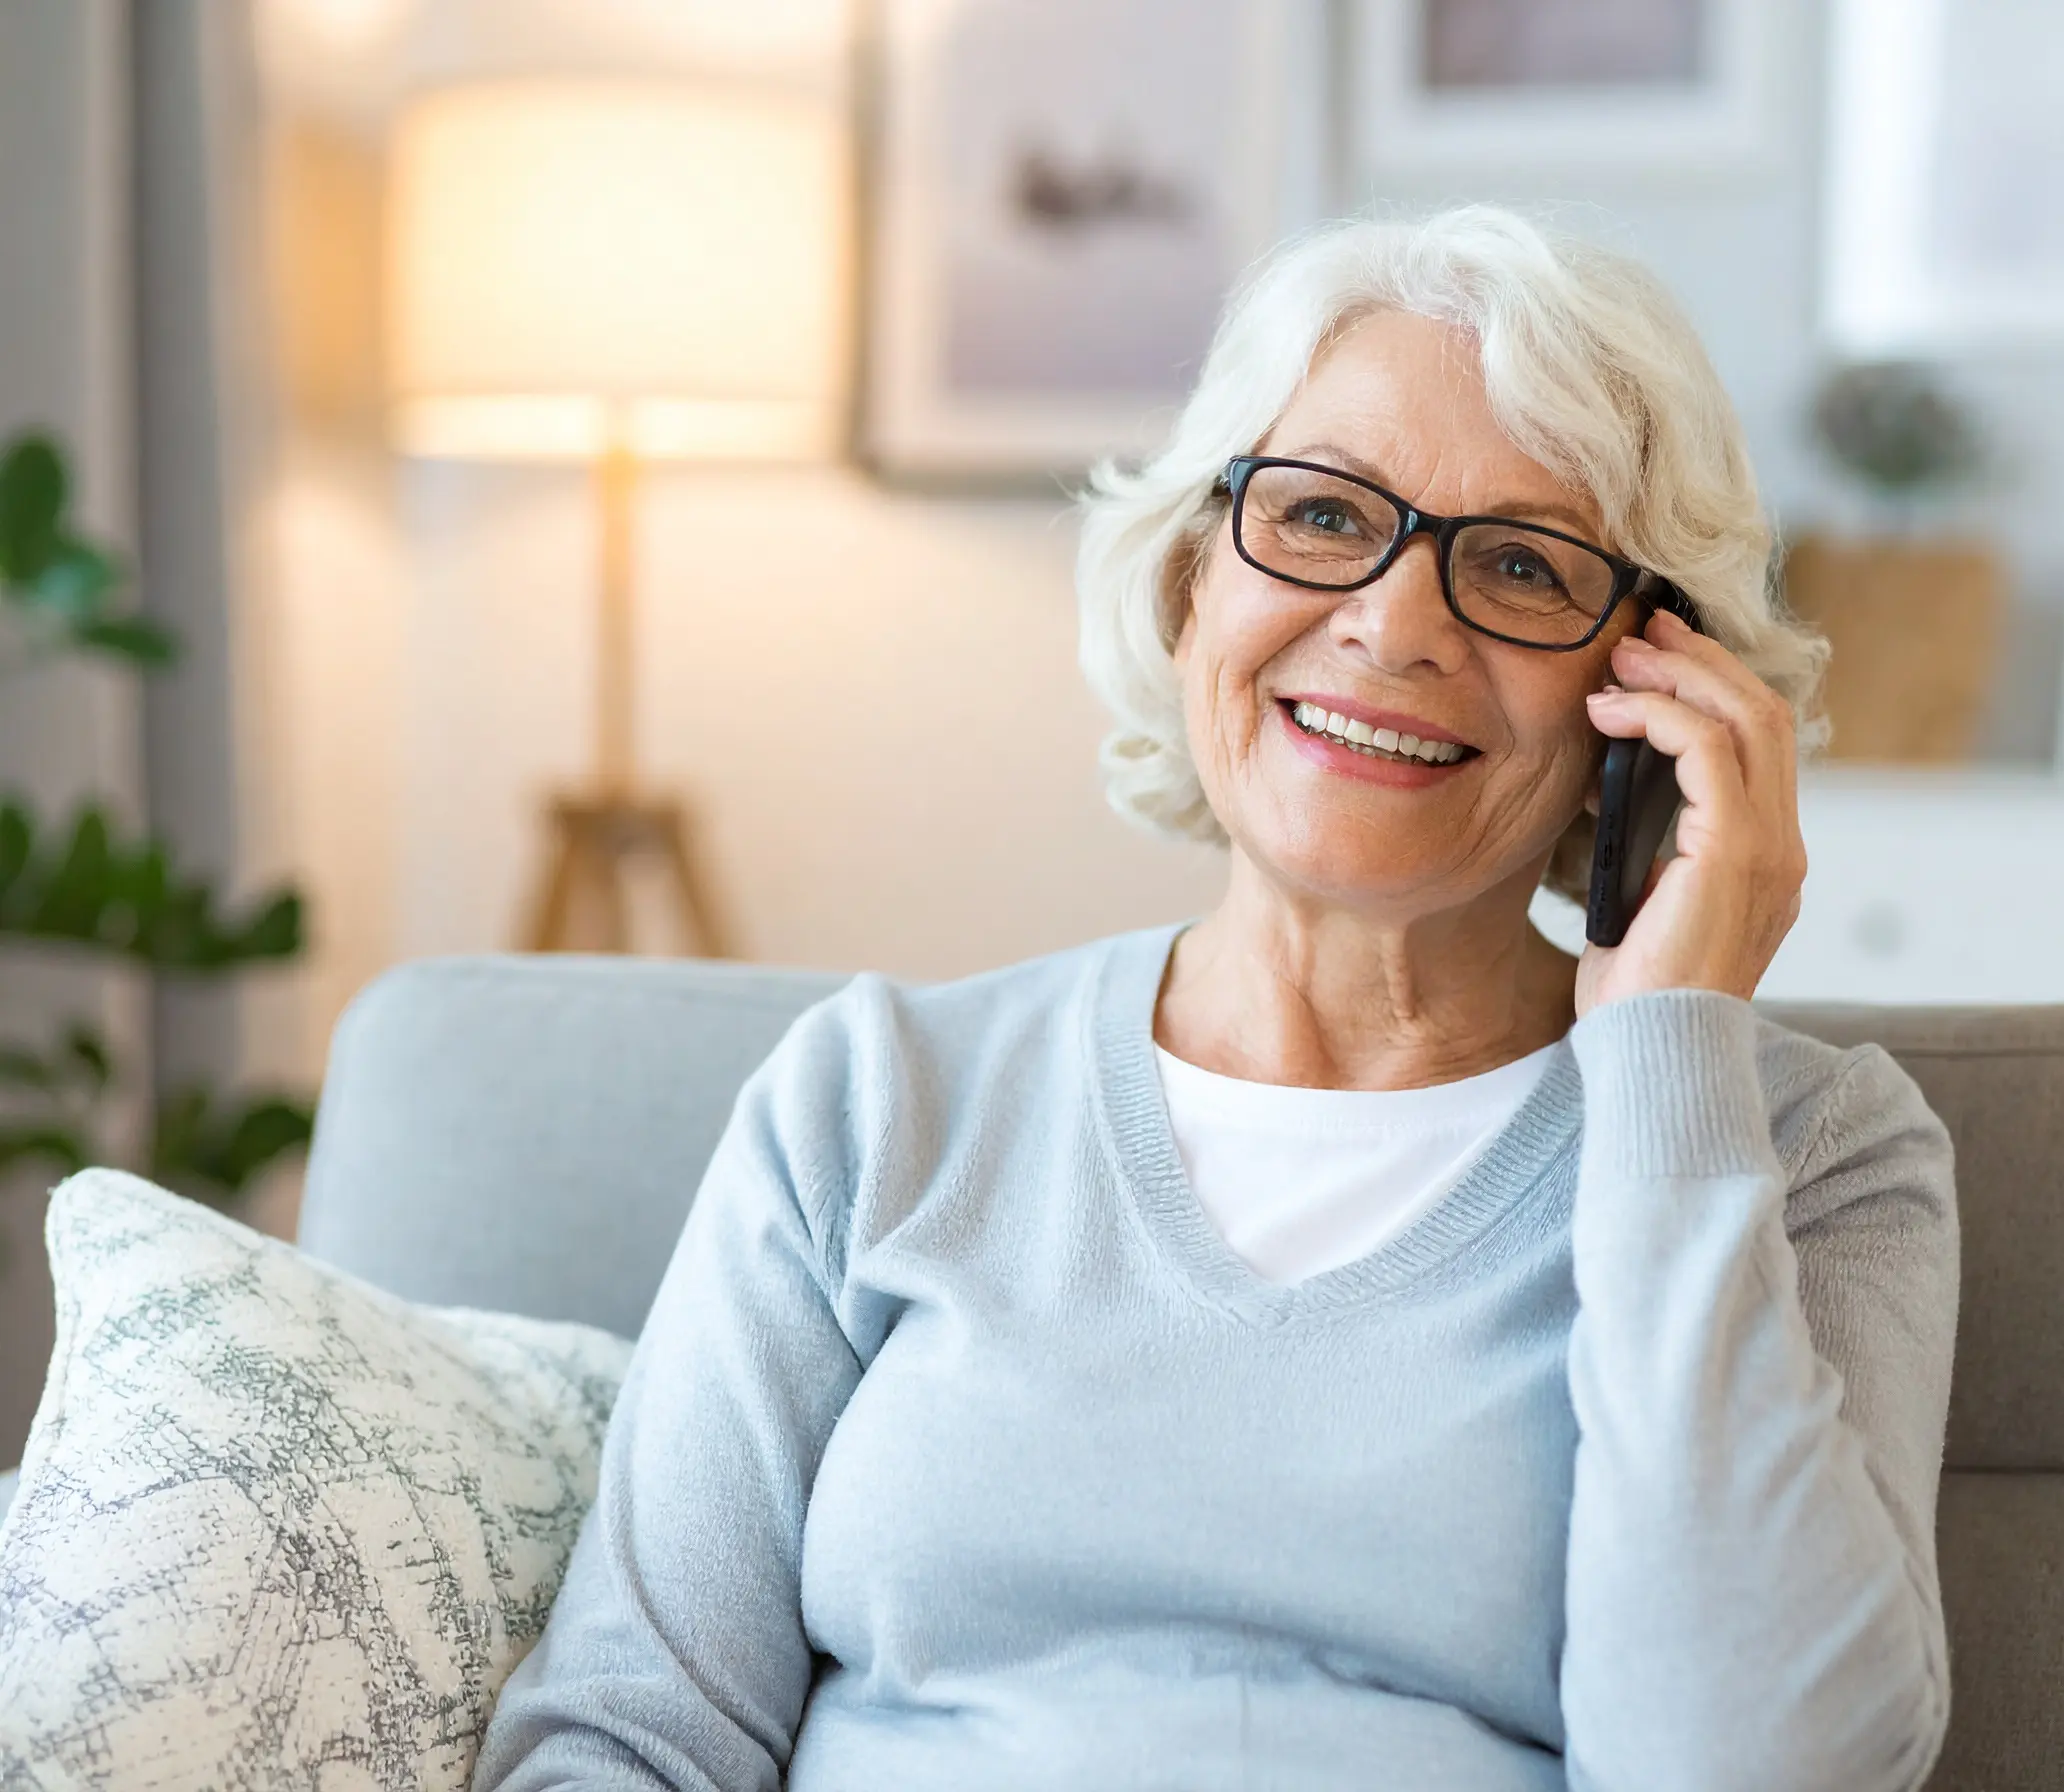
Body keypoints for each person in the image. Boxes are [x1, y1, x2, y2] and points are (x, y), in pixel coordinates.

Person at [475, 204, 1959, 1792]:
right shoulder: (874, 1099)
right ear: (1193, 581)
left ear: (1653, 692)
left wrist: (1669, 1069)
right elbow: (624, 1736)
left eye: (1524, 565)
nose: (1394, 625)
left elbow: (1755, 1768)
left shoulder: (1815, 1157)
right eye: (1322, 515)